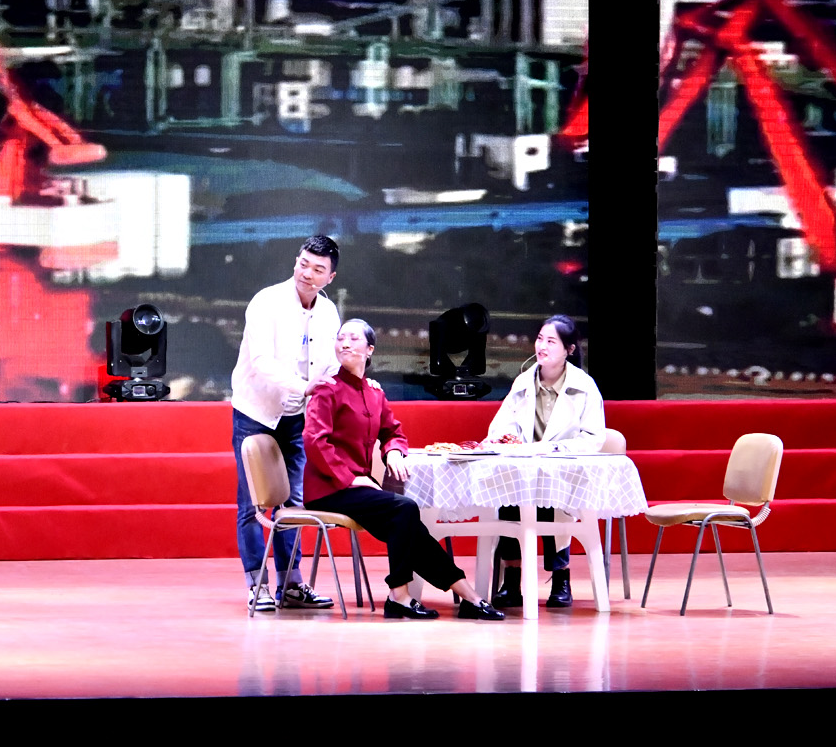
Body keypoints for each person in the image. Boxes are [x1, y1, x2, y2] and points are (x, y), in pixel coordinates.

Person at [302, 319, 505, 620]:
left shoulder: (374, 392)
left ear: (370, 349)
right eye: (340, 338)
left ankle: (467, 596)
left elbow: (392, 431)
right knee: (405, 510)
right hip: (329, 489)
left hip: (357, 488)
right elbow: (314, 441)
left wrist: (394, 451)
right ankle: (401, 594)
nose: (344, 343)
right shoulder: (327, 390)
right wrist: (351, 478)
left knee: (409, 527)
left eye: (353, 338)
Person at [229, 234, 342, 612]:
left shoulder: (328, 312)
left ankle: (291, 585)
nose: (307, 273)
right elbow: (261, 362)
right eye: (303, 263)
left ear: (330, 277)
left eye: (318, 269)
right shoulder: (267, 301)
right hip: (256, 412)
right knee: (253, 504)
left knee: (293, 503)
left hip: (296, 418)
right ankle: (256, 585)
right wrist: (303, 387)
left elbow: (332, 364)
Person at [483, 314, 605, 610]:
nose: (542, 346)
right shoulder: (523, 382)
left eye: (551, 341)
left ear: (569, 350)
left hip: (563, 470)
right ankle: (512, 580)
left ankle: (561, 578)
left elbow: (593, 438)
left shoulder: (584, 386)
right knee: (508, 496)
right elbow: (502, 426)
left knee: (553, 504)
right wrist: (508, 441)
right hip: (522, 469)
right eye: (540, 339)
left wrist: (549, 449)